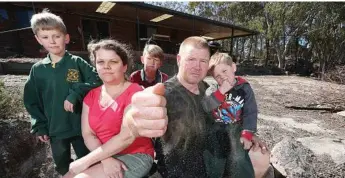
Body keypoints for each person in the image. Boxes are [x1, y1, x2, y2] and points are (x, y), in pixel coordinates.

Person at [153, 36, 270, 178]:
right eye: (191, 59)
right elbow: (141, 112)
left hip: (217, 161)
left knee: (261, 157)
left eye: (203, 61)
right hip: (179, 172)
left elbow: (227, 117)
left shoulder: (208, 89)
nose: (197, 66)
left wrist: (248, 132)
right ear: (179, 60)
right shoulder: (166, 93)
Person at [23, 9, 102, 176]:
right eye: (45, 37)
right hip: (55, 130)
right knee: (62, 166)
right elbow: (31, 101)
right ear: (38, 40)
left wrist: (75, 93)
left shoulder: (77, 62)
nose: (52, 41)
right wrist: (40, 126)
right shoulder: (37, 70)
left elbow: (97, 80)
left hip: (81, 127)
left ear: (66, 38)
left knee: (88, 163)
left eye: (56, 36)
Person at [63, 39, 155, 178]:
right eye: (101, 62)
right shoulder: (91, 96)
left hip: (135, 154)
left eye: (113, 62)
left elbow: (126, 136)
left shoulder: (135, 92)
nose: (106, 66)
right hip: (103, 155)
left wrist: (85, 161)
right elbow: (88, 134)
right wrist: (106, 159)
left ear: (124, 66)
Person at [201, 52, 258, 178]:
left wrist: (247, 133)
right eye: (218, 76)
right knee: (214, 159)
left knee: (238, 158)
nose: (223, 78)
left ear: (233, 67)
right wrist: (220, 92)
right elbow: (205, 106)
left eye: (225, 71)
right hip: (216, 129)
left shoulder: (244, 88)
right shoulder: (213, 90)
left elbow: (251, 112)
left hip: (236, 128)